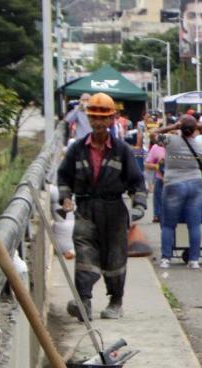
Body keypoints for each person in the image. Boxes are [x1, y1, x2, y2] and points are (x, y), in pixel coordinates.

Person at [56, 93, 147, 320]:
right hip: (86, 209)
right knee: (85, 254)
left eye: (103, 117)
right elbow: (63, 177)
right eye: (94, 117)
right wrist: (65, 198)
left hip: (114, 210)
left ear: (112, 120)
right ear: (88, 118)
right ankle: (83, 302)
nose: (98, 122)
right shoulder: (77, 149)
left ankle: (116, 301)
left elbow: (136, 181)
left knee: (115, 258)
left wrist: (138, 205)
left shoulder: (121, 150)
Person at [154, 114, 202, 270]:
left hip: (173, 183)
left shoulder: (170, 140)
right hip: (196, 184)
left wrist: (172, 127)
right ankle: (194, 260)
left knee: (168, 224)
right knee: (194, 224)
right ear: (194, 129)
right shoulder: (200, 145)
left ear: (180, 127)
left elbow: (152, 134)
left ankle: (166, 258)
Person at [144, 135, 166, 224]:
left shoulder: (177, 148)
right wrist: (157, 166)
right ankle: (157, 215)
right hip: (160, 179)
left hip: (174, 179)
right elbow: (147, 164)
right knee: (158, 198)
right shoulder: (155, 148)